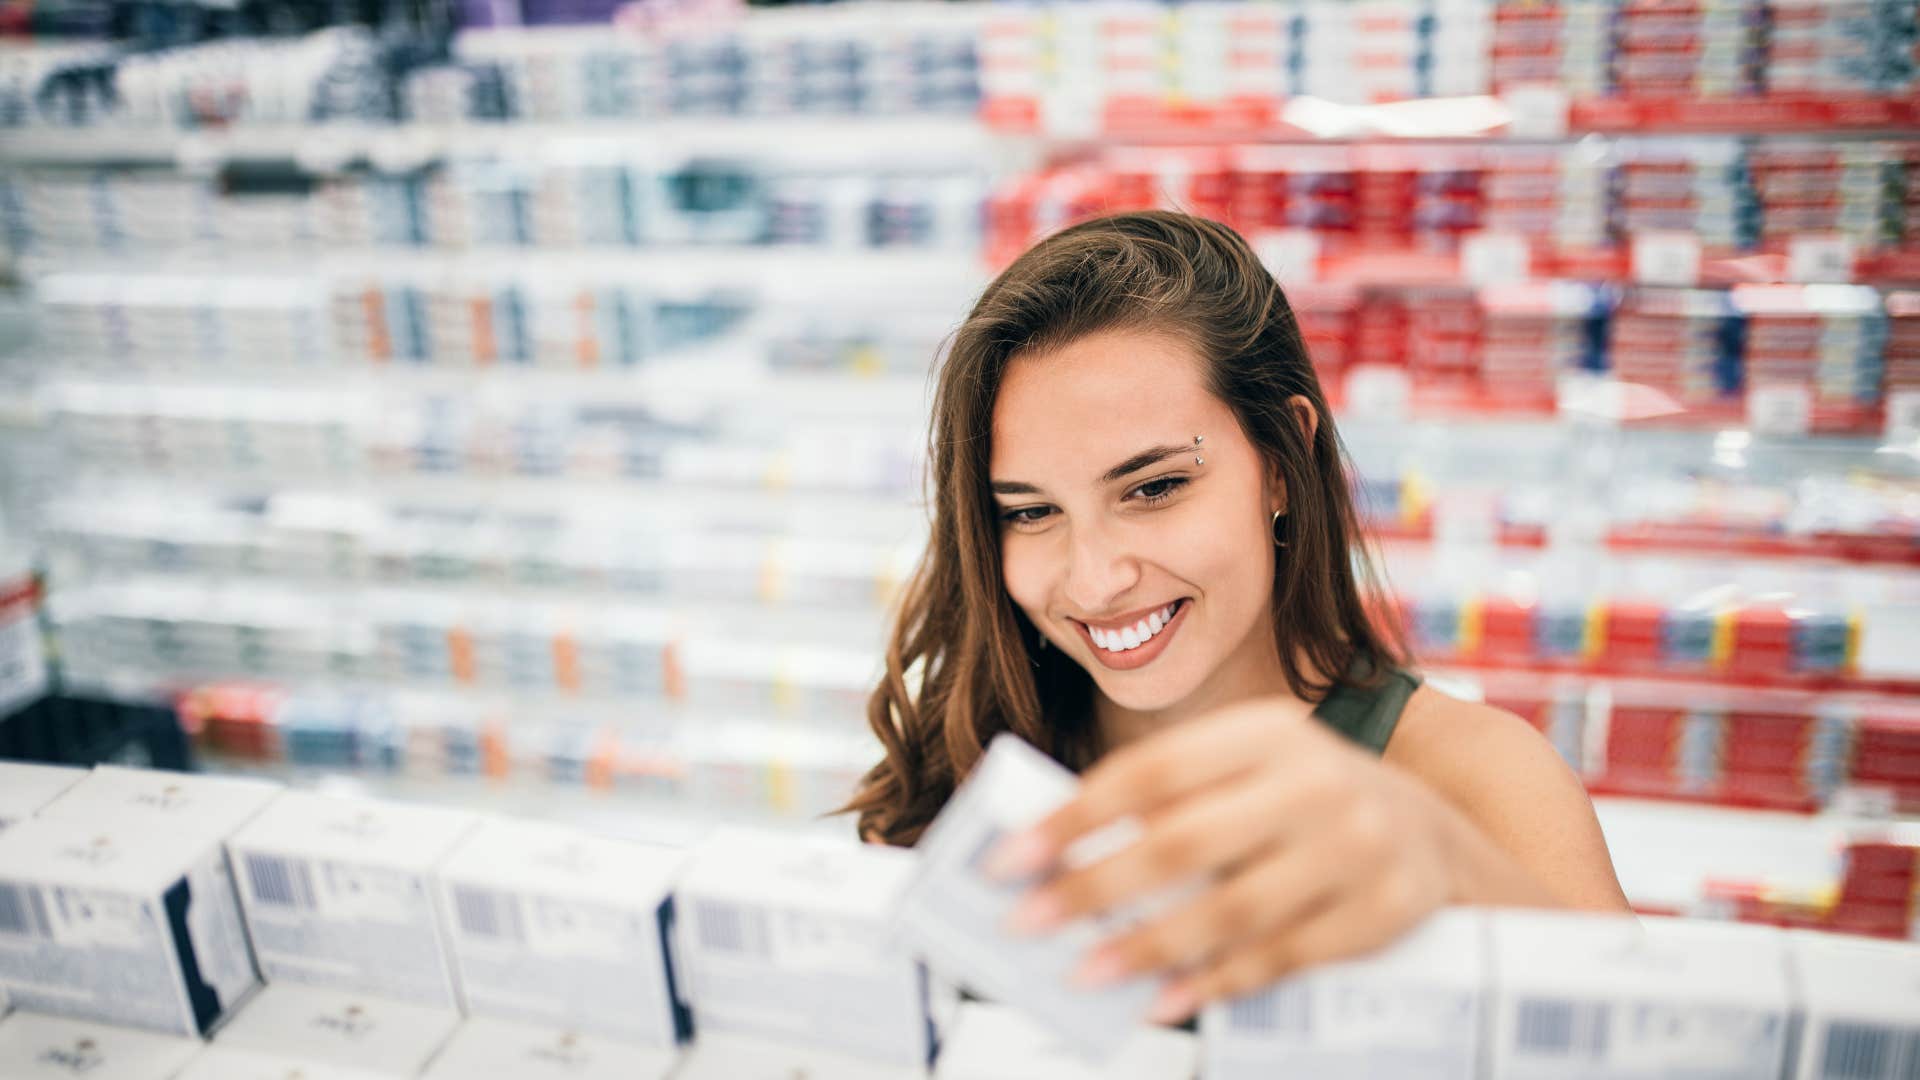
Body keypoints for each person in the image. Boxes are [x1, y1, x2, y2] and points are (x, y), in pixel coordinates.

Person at [843, 210, 1629, 1023]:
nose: (1096, 580)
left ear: (1282, 463)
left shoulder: (1482, 780)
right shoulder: (958, 764)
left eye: (1153, 488)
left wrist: (1452, 866)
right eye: (1032, 513)